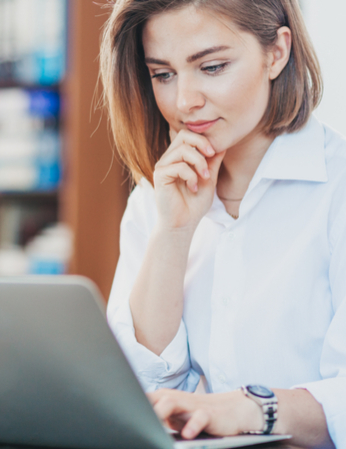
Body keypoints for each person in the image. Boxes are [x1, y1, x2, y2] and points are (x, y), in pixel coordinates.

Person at [100, 0, 344, 447]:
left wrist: (245, 409)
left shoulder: (337, 189)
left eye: (211, 67)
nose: (183, 102)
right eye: (163, 75)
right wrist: (173, 233)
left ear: (277, 53)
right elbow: (139, 394)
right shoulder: (154, 198)